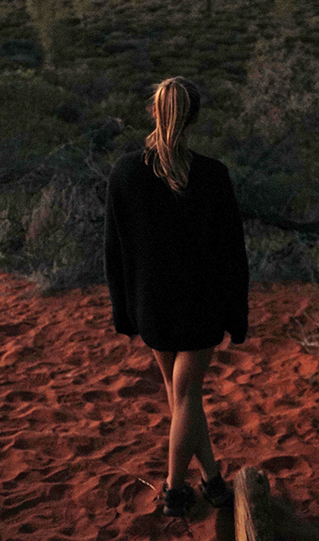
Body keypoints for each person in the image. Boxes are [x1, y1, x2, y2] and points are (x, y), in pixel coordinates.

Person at [104, 76, 249, 518]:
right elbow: (232, 253)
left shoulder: (126, 172)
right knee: (185, 394)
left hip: (153, 305)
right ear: (194, 119)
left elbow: (115, 250)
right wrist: (236, 314)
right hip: (200, 306)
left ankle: (212, 478)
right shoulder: (212, 175)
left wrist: (124, 312)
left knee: (180, 394)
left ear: (154, 112)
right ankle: (174, 489)